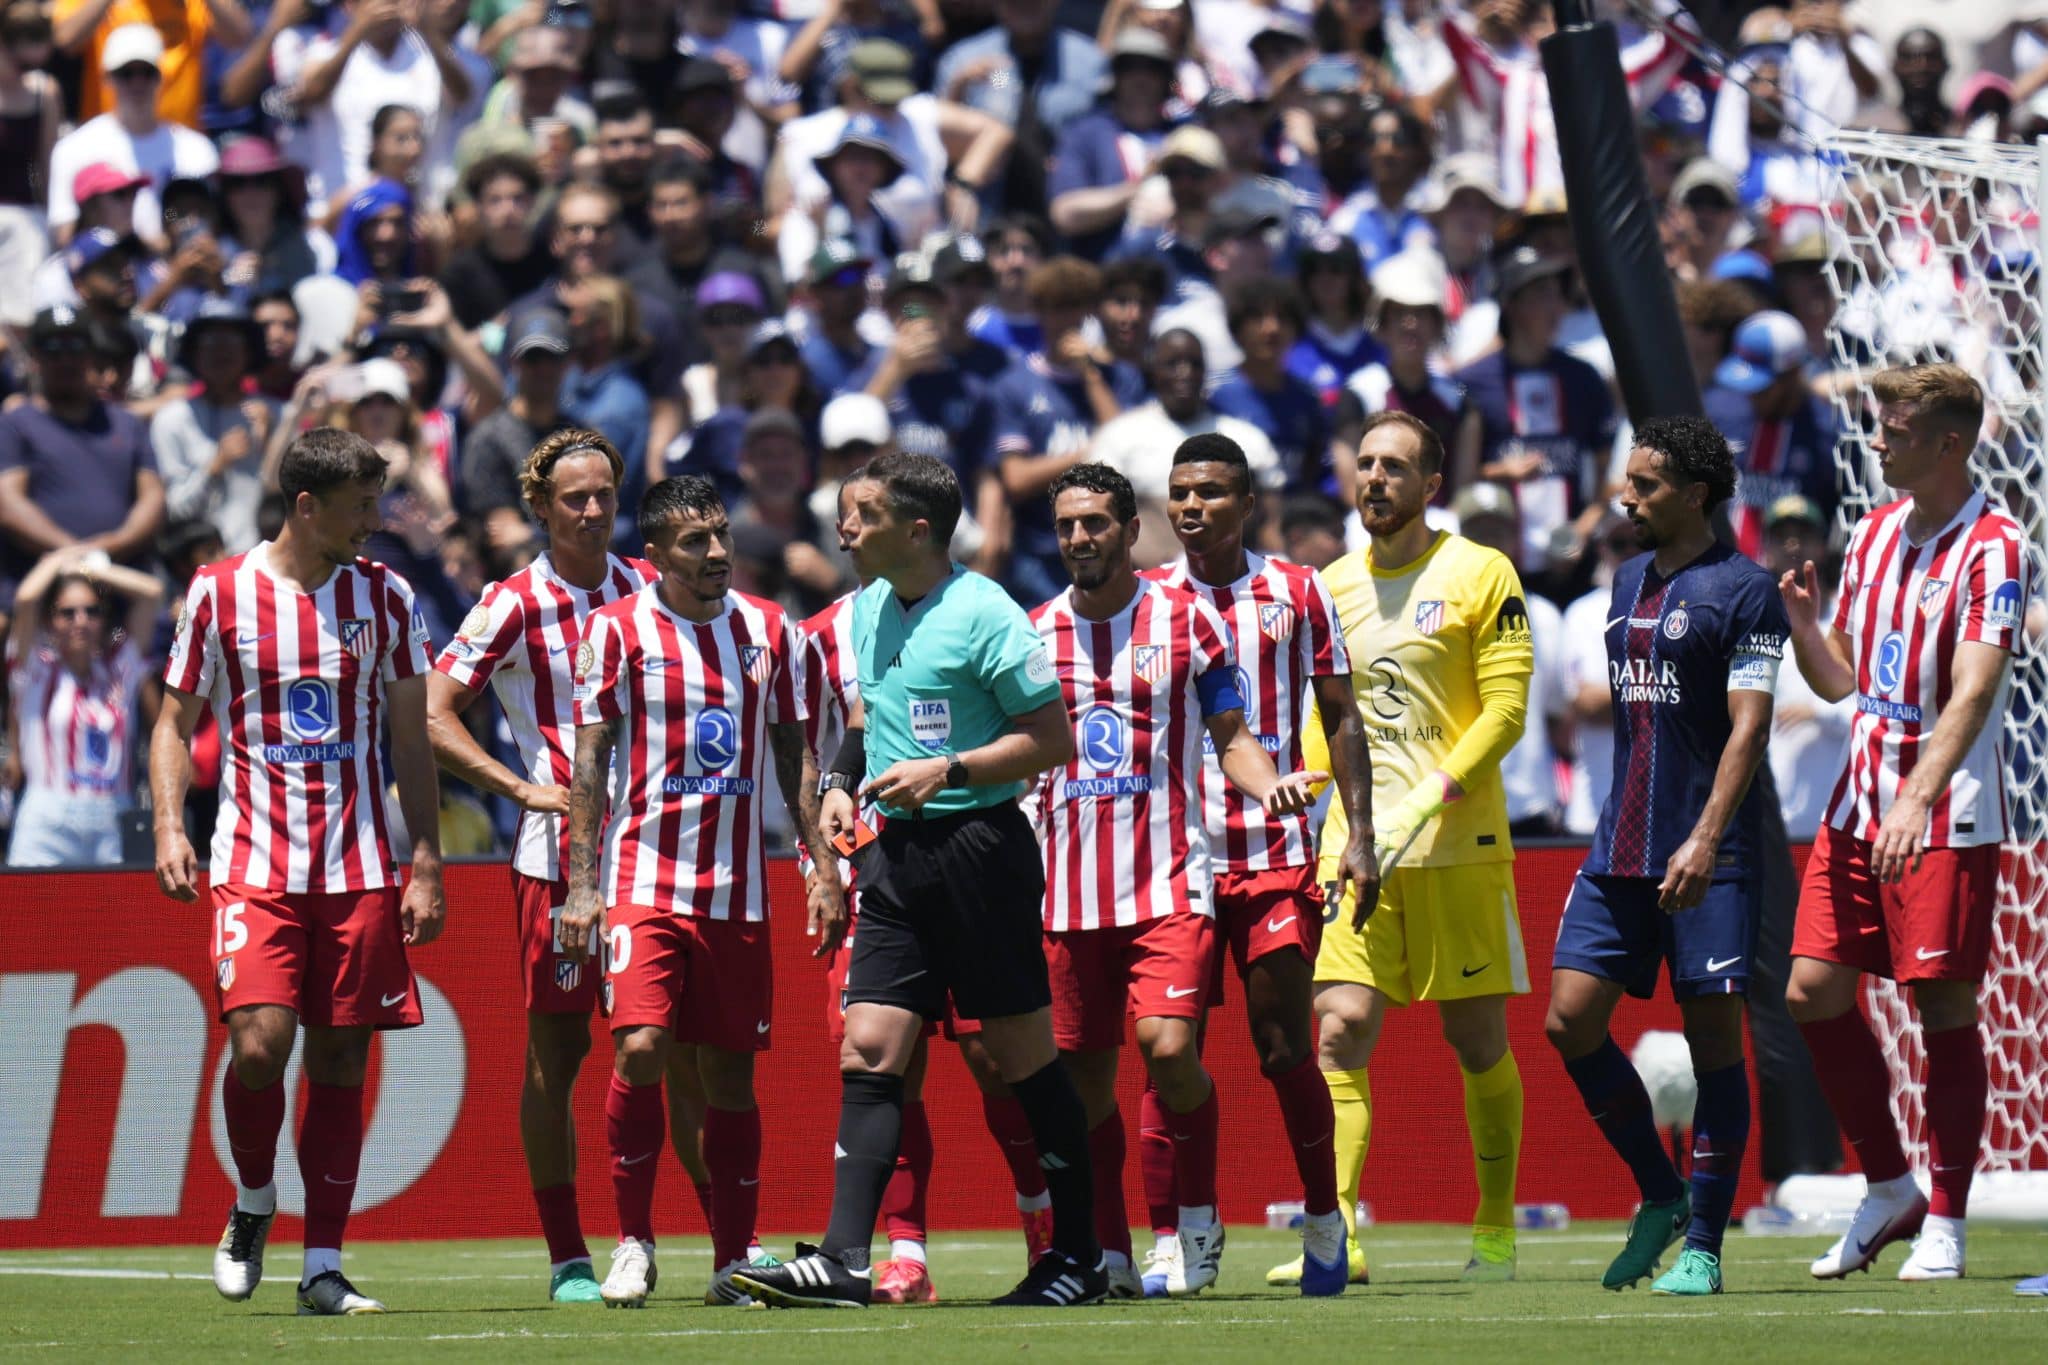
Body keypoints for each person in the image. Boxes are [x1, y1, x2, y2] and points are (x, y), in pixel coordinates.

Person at [732, 452, 1101, 1310]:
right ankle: (844, 1259)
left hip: (979, 847)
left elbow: (1052, 738)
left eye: (861, 513)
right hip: (892, 853)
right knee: (869, 1046)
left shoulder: (985, 612)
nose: (845, 528)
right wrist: (833, 784)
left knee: (1019, 1058)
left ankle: (1078, 1255)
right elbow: (868, 716)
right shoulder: (865, 609)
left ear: (919, 528)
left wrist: (953, 767)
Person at [152, 426, 446, 1315]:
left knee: (342, 1056)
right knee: (259, 1045)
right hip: (255, 863)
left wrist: (425, 857)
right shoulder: (220, 591)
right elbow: (172, 722)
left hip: (357, 864)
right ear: (306, 504)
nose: (375, 520)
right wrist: (172, 824)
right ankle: (251, 1199)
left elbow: (408, 737)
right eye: (362, 506)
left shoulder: (387, 597)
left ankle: (323, 1261)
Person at [1025, 461, 1326, 1299]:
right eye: (1066, 525)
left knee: (1166, 1049)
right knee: (1084, 1083)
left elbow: (1230, 730)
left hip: (1166, 882)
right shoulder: (1033, 631)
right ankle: (1111, 1251)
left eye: (1095, 523)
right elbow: (1019, 752)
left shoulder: (1185, 619)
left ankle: (1197, 1219)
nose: (1079, 538)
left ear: (1128, 529)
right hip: (1068, 891)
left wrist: (1269, 785)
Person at [1779, 364, 2028, 1284]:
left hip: (1945, 811)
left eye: (1895, 428)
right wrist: (1808, 628)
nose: (1877, 440)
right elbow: (1846, 678)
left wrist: (1919, 793)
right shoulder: (1878, 531)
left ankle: (1950, 1222)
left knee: (1941, 1005)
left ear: (1949, 444)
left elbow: (1975, 687)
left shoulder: (1995, 547)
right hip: (1857, 806)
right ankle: (1889, 1183)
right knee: (1810, 989)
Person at [560, 474, 832, 1309]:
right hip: (644, 879)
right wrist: (581, 883)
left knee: (731, 1084)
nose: (716, 552)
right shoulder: (616, 631)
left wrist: (821, 864)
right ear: (654, 556)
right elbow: (591, 761)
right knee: (640, 1049)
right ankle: (635, 1241)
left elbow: (796, 755)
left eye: (720, 535)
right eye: (694, 541)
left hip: (740, 892)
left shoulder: (771, 629)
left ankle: (730, 1260)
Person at [1544, 416, 1789, 1297]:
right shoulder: (1623, 578)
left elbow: (1749, 726)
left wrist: (1706, 837)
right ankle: (1660, 1192)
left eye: (1645, 485)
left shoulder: (1748, 591)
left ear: (1695, 493)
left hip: (1704, 855)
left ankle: (1705, 1248)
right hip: (1619, 848)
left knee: (1713, 1041)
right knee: (1568, 1020)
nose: (1626, 498)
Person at [425, 429, 656, 1303]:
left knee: (675, 1048)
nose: (592, 510)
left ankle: (720, 1246)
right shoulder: (513, 602)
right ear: (540, 507)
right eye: (574, 498)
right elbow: (436, 712)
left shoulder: (648, 585)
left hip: (656, 845)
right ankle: (568, 1254)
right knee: (556, 1053)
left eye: (603, 493)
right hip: (557, 856)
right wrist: (520, 786)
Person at [1305, 409, 1534, 1285]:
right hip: (1355, 850)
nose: (1374, 479)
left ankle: (1495, 1231)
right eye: (1364, 463)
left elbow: (1506, 712)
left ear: (1431, 484)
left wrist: (1424, 804)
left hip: (1457, 844)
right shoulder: (1329, 585)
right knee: (1340, 1025)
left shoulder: (1483, 571)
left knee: (1476, 1041)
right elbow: (1329, 725)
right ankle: (1339, 1240)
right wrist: (1306, 790)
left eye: (1394, 466)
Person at [1147, 434, 1377, 1295]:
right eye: (1179, 492)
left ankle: (1324, 1218)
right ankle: (1181, 1237)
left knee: (1285, 1046)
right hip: (1169, 857)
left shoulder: (1296, 588)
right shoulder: (1146, 599)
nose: (1192, 506)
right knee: (1168, 1046)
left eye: (1210, 491)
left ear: (1247, 504)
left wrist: (1359, 831)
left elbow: (1342, 713)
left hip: (1275, 854)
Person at [0, 305, 165, 625]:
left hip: (121, 595)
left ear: (92, 354)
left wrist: (110, 547)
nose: (65, 359)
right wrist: (77, 553)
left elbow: (153, 499)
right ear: (35, 358)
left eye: (75, 346)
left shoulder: (126, 423)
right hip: (38, 599)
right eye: (53, 348)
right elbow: (8, 502)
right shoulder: (15, 423)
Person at [3, 543, 162, 865]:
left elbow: (152, 592)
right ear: (50, 622)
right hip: (48, 818)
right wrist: (61, 558)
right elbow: (27, 598)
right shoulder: (36, 667)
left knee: (110, 915)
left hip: (113, 815)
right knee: (32, 914)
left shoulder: (119, 667)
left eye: (92, 611)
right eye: (67, 612)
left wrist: (88, 570)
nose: (81, 620)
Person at [1088, 328, 1281, 569]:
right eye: (1172, 363)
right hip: (1144, 585)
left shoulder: (1247, 439)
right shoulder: (1120, 436)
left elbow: (1271, 523)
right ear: (1153, 370)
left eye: (1194, 363)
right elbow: (1101, 516)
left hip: (1232, 587)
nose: (1185, 372)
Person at [285, 0, 472, 207]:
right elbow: (311, 94)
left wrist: (428, 31)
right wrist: (356, 31)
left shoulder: (426, 55)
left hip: (414, 206)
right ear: (350, 6)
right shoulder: (324, 53)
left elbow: (462, 95)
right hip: (342, 203)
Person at [47, 24, 221, 245]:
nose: (137, 83)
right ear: (106, 79)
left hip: (184, 270)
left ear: (161, 78)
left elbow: (213, 226)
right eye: (126, 74)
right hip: (105, 272)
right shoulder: (73, 148)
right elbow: (65, 234)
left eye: (147, 73)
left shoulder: (197, 149)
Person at [150, 296, 276, 554]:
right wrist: (215, 465)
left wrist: (271, 446)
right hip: (195, 566)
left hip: (261, 562)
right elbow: (174, 510)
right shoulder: (171, 419)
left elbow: (294, 501)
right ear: (193, 353)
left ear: (249, 352)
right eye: (209, 342)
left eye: (232, 341)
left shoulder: (275, 414)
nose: (221, 352)